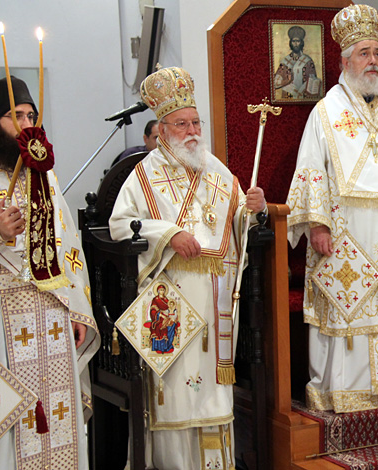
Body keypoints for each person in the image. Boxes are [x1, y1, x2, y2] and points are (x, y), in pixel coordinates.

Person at [109, 66, 266, 469]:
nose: (192, 131)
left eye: (196, 122)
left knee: (213, 394)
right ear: (162, 130)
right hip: (171, 303)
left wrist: (255, 208)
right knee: (176, 394)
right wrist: (168, 234)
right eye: (182, 124)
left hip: (215, 303)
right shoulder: (144, 173)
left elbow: (237, 223)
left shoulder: (215, 168)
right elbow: (120, 225)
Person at [286, 3, 378, 413]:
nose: (373, 61)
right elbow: (311, 169)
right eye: (364, 53)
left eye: (377, 53)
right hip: (345, 233)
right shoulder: (326, 111)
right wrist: (318, 225)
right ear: (345, 61)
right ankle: (342, 394)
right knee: (348, 308)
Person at [0, 77, 99, 469]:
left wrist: (76, 309)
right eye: (16, 116)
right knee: (5, 420)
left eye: (31, 116)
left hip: (51, 315)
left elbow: (68, 248)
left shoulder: (41, 175)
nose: (28, 125)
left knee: (58, 417)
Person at [273, 25, 321, 99]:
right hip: (288, 96)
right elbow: (275, 82)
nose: (295, 44)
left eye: (298, 41)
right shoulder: (285, 61)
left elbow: (313, 81)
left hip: (304, 97)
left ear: (301, 43)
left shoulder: (308, 61)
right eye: (293, 41)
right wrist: (287, 81)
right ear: (290, 43)